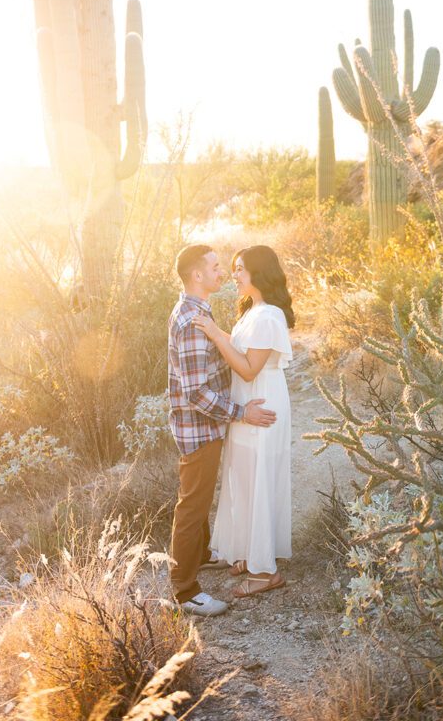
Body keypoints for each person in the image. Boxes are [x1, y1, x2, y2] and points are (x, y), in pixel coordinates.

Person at [167, 244, 278, 617]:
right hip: (199, 428)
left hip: (203, 426)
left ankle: (200, 555)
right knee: (193, 505)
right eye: (215, 267)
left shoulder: (199, 312)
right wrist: (240, 412)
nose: (222, 272)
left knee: (197, 500)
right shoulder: (191, 320)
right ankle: (185, 592)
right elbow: (196, 392)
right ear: (197, 275)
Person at [193, 244, 294, 598]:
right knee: (244, 478)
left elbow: (250, 369)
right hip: (244, 405)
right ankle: (249, 553)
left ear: (258, 273)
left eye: (240, 269)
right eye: (233, 269)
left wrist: (216, 333)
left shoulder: (269, 316)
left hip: (261, 402)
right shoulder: (253, 311)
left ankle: (266, 571)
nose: (233, 276)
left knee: (259, 481)